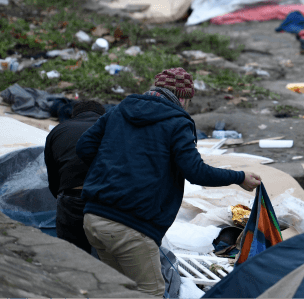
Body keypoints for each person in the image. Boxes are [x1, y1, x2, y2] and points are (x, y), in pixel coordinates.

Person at [76, 67, 261, 297]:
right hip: (131, 226)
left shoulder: (121, 109)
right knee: (150, 292)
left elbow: (84, 147)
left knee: (120, 290)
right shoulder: (177, 122)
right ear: (183, 97)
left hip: (94, 219)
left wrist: (115, 166)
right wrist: (240, 177)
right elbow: (197, 172)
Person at [44, 100, 106, 254]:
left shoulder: (58, 130)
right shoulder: (112, 128)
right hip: (105, 200)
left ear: (74, 115)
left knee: (72, 254)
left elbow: (53, 178)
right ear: (102, 115)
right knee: (107, 256)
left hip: (71, 197)